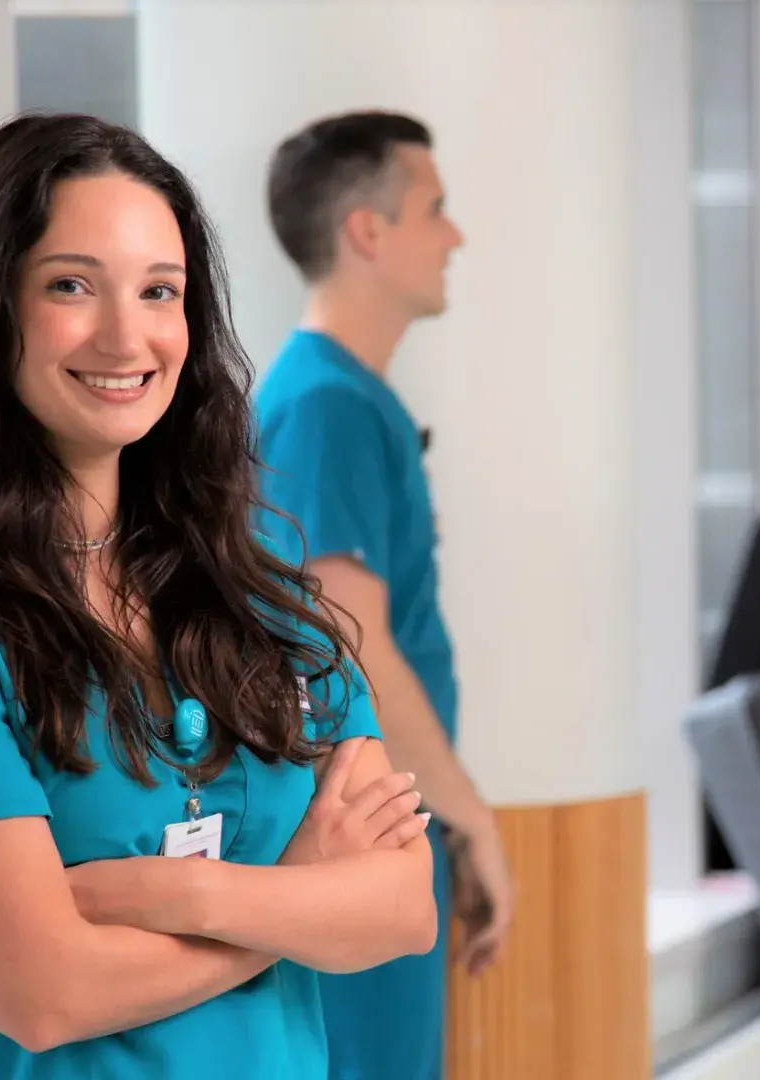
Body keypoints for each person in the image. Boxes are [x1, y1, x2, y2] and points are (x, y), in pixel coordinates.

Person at [0, 112, 438, 1080]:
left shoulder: (256, 599)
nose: (126, 334)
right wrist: (299, 896)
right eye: (71, 285)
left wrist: (187, 897)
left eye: (161, 291)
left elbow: (402, 908)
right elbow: (44, 993)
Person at [253, 109, 509, 1080]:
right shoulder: (324, 407)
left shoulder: (345, 399)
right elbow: (353, 641)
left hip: (377, 826)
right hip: (355, 834)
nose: (456, 237)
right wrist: (473, 819)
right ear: (368, 231)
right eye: (435, 210)